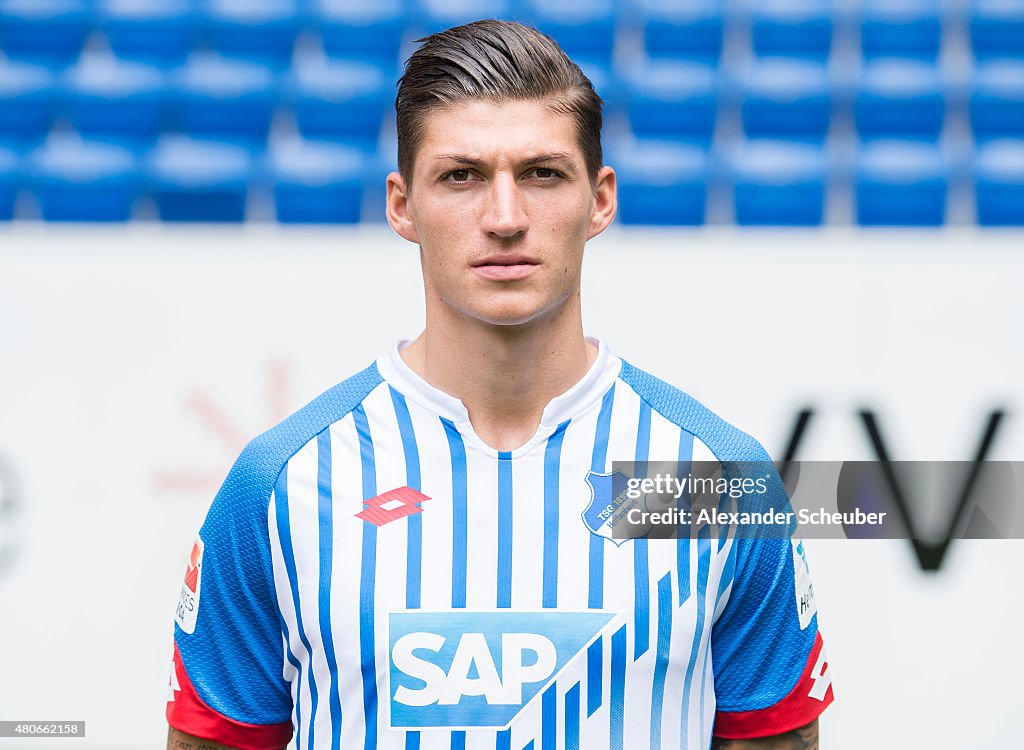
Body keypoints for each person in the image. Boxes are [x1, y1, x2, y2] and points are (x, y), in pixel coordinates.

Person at [165, 19, 833, 750]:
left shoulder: (713, 479)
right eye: (463, 176)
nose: (506, 217)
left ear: (600, 199)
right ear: (401, 205)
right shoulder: (279, 487)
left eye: (542, 174)